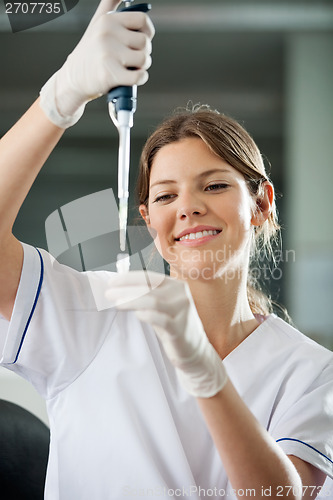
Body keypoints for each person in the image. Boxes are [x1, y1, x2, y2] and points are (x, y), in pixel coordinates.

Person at [0, 0, 332, 499]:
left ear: (261, 203)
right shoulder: (93, 313)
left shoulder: (310, 372)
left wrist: (202, 366)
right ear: (148, 220)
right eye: (165, 195)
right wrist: (62, 94)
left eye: (214, 186)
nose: (188, 208)